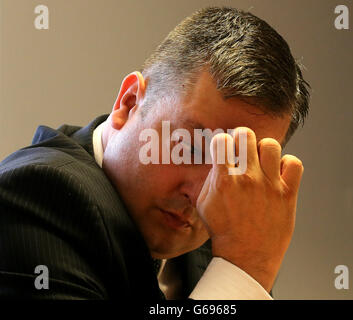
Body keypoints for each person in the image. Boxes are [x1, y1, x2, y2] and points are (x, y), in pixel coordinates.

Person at [0, 6, 310, 299]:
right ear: (130, 102)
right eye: (188, 148)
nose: (206, 193)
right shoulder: (38, 195)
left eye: (235, 165)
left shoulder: (221, 230)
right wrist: (245, 269)